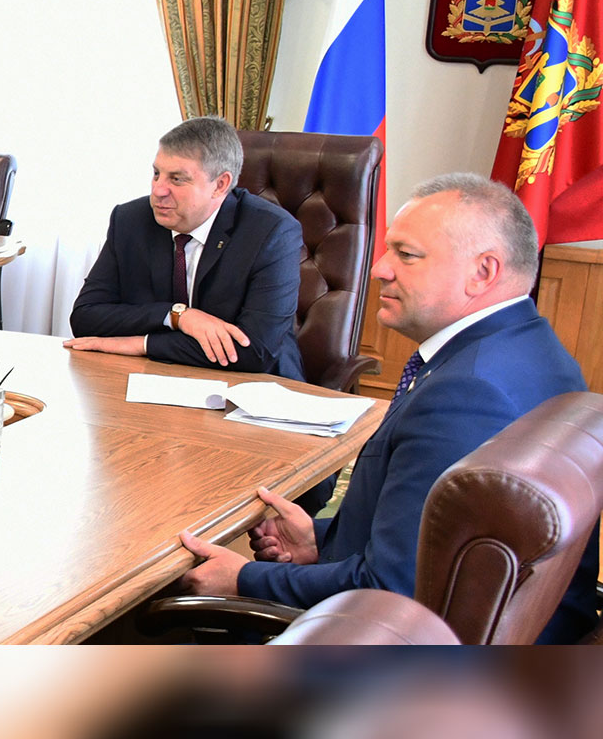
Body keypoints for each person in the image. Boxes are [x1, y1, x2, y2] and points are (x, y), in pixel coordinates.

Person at [177, 174, 598, 643]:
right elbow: (440, 539)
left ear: (483, 272)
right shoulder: (537, 349)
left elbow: (389, 591)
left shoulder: (466, 395)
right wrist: (324, 538)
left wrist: (242, 579)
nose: (380, 269)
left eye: (407, 254)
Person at [67, 116, 303, 379]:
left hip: (253, 388)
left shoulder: (271, 232)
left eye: (177, 179)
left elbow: (255, 351)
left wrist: (142, 344)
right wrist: (178, 316)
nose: (158, 190)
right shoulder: (131, 220)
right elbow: (85, 318)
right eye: (157, 174)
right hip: (152, 380)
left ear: (220, 185)